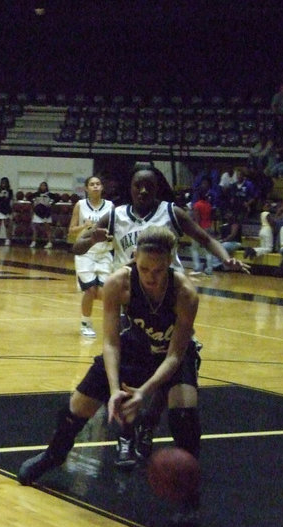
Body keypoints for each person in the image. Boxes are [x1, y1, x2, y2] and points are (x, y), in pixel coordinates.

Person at [19, 227, 202, 523]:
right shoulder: (119, 282)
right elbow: (111, 342)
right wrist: (115, 389)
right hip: (133, 347)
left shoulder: (185, 294)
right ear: (133, 259)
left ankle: (189, 495)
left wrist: (144, 392)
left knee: (184, 408)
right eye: (143, 268)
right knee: (79, 403)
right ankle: (54, 454)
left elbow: (175, 355)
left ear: (170, 262)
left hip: (170, 355)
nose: (150, 277)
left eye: (157, 270)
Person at [73, 164, 249, 466]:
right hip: (132, 299)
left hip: (169, 300)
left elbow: (204, 239)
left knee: (167, 377)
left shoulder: (172, 212)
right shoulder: (115, 215)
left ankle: (147, 427)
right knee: (129, 373)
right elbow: (77, 248)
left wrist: (225, 258)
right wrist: (91, 237)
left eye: (149, 186)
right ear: (130, 188)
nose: (143, 191)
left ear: (157, 189)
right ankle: (126, 436)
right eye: (137, 186)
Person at [67, 176, 113, 338]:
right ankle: (86, 323)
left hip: (105, 252)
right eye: (92, 184)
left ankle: (115, 322)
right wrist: (84, 226)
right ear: (86, 188)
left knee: (106, 292)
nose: (95, 187)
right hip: (85, 253)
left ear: (102, 187)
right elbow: (71, 230)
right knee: (90, 290)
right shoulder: (80, 205)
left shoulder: (110, 206)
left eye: (98, 184)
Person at [189, 179, 215, 275]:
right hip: (208, 227)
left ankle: (197, 266)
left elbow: (197, 219)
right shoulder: (208, 205)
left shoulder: (197, 205)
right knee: (208, 250)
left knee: (194, 248)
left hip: (200, 228)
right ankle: (209, 269)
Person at [30, 181, 59, 248]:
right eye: (41, 185)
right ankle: (33, 242)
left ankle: (49, 242)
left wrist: (50, 203)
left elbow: (56, 199)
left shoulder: (50, 195)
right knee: (35, 228)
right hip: (37, 213)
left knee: (47, 228)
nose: (43, 187)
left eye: (44, 186)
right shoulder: (36, 194)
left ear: (46, 187)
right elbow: (31, 200)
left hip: (46, 213)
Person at [0, 176, 13, 246]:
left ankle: (7, 239)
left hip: (6, 210)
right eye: (2, 183)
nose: (3, 184)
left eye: (5, 183)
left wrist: (3, 197)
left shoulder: (10, 191)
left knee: (7, 225)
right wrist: (2, 196)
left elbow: (9, 199)